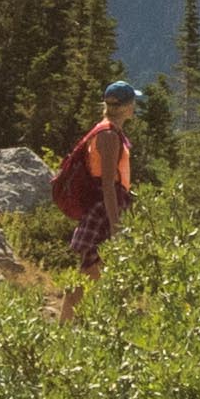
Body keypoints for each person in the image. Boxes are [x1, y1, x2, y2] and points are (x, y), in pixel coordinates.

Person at [53, 77, 138, 314]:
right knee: (92, 270)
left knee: (95, 271)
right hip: (106, 207)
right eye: (133, 103)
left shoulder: (107, 130)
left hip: (103, 205)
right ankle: (66, 327)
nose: (135, 107)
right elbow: (109, 184)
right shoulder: (109, 136)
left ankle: (70, 325)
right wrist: (115, 225)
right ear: (126, 106)